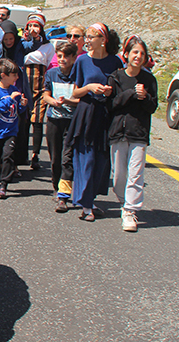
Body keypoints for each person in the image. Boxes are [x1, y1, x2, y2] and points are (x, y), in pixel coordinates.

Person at [66, 22, 123, 222]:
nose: (87, 41)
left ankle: (91, 199)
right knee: (86, 160)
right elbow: (75, 91)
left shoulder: (115, 62)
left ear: (103, 40)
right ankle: (86, 205)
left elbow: (119, 89)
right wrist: (89, 87)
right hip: (86, 113)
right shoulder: (82, 61)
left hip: (105, 115)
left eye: (91, 37)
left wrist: (109, 91)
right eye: (87, 37)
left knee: (101, 161)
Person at [107, 35, 157, 232]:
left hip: (139, 133)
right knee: (119, 176)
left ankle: (130, 210)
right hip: (118, 132)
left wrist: (145, 97)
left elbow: (153, 107)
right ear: (126, 54)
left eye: (142, 54)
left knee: (136, 175)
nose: (138, 56)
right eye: (135, 52)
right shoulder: (116, 77)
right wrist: (130, 94)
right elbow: (111, 105)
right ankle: (123, 201)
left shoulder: (149, 79)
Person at [42, 41, 79, 212]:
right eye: (60, 56)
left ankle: (64, 193)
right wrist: (53, 102)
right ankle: (57, 187)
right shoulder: (51, 73)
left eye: (66, 56)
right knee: (55, 157)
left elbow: (80, 99)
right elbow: (46, 95)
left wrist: (69, 101)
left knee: (67, 157)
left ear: (73, 58)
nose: (62, 59)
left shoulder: (78, 74)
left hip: (72, 121)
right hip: (54, 120)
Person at [0, 58, 27, 199]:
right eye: (14, 75)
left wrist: (22, 104)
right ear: (3, 76)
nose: (16, 77)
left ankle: (4, 184)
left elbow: (18, 110)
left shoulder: (14, 89)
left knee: (8, 155)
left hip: (11, 130)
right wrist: (10, 99)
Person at [22, 12, 55, 170]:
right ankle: (21, 154)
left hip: (40, 85)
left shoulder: (48, 46)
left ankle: (35, 155)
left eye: (36, 26)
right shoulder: (22, 43)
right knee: (24, 120)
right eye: (31, 25)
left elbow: (49, 66)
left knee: (37, 121)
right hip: (24, 84)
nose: (33, 28)